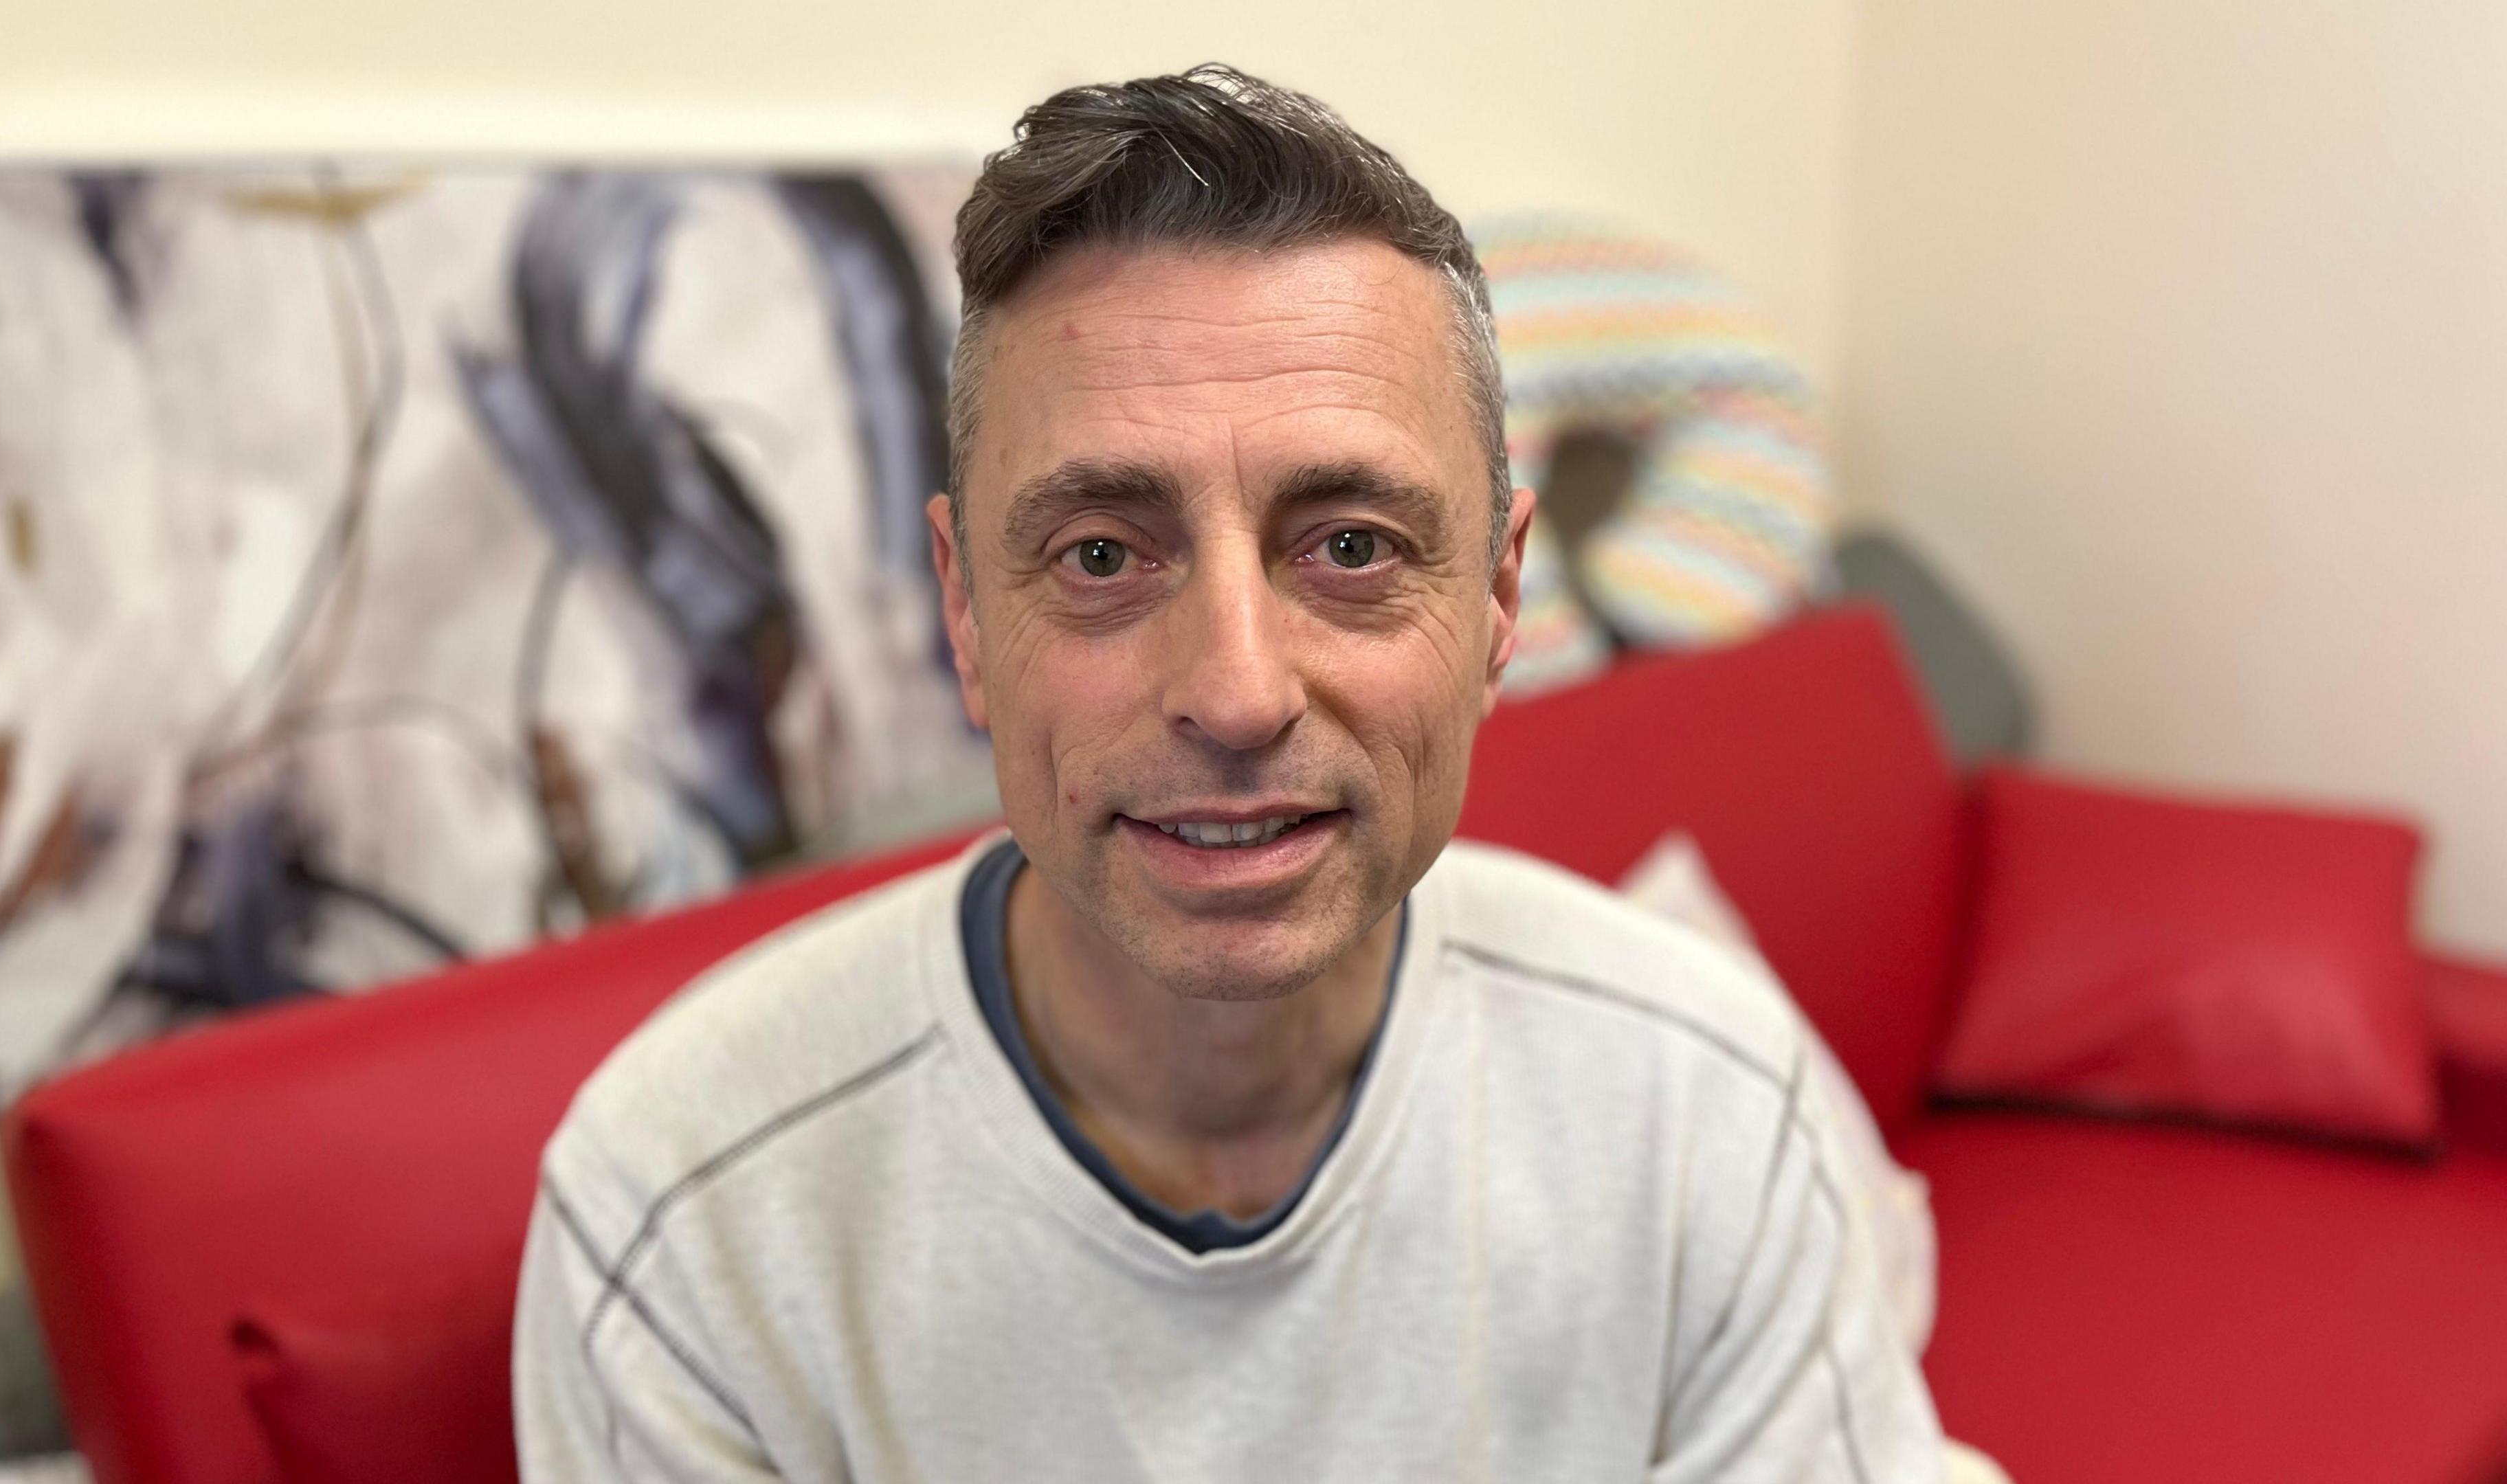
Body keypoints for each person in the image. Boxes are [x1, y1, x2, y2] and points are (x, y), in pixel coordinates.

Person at [515, 64, 1946, 1481]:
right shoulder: (688, 1216)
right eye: (1100, 557)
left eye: (1351, 547)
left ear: (1498, 600)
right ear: (965, 612)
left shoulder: (1708, 1106)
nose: (1238, 692)